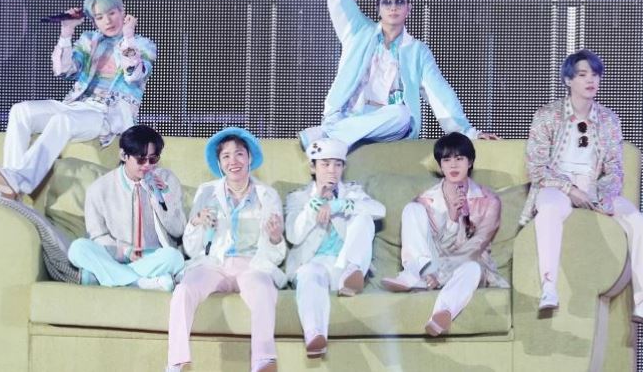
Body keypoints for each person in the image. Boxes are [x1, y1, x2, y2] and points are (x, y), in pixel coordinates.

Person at [298, 0, 496, 151]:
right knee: (350, 122)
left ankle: (326, 135)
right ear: (378, 8)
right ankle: (335, 133)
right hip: (348, 117)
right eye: (387, 2)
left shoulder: (417, 51)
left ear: (408, 9)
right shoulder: (357, 32)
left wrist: (469, 132)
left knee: (402, 114)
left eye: (399, 2)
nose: (393, 7)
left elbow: (440, 94)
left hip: (389, 127)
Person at [521, 49, 643, 324]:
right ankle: (548, 287)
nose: (591, 80)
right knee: (550, 211)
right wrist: (570, 190)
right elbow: (537, 168)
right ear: (568, 80)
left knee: (640, 223)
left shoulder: (609, 119)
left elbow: (615, 168)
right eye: (582, 75)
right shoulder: (547, 115)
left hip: (594, 187)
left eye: (595, 75)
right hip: (557, 185)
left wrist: (603, 196)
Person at [0, 0, 157, 198]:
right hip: (77, 104)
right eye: (99, 17)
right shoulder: (90, 41)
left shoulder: (142, 45)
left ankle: (21, 180)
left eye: (112, 13)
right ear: (93, 21)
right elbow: (63, 70)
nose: (107, 21)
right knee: (21, 111)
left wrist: (128, 37)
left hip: (106, 114)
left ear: (122, 12)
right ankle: (12, 184)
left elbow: (133, 74)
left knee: (63, 120)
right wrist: (66, 32)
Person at [166, 127, 285, 372]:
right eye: (226, 156)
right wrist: (196, 223)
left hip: (251, 265)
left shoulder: (267, 195)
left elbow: (276, 254)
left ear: (249, 157)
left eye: (239, 154)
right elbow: (192, 248)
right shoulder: (206, 192)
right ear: (219, 163)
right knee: (183, 290)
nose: (234, 161)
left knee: (264, 289)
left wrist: (275, 238)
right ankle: (175, 363)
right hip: (215, 264)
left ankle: (263, 360)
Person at [382, 132, 508, 335]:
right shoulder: (426, 200)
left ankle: (442, 313)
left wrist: (440, 276)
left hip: (467, 263)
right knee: (412, 209)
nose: (453, 165)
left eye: (459, 158)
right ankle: (413, 273)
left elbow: (476, 246)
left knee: (473, 269)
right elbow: (432, 246)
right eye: (447, 160)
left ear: (470, 162)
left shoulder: (489, 201)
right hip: (431, 266)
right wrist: (451, 218)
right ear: (440, 165)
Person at [285, 138, 385, 358]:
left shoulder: (352, 192)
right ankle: (315, 336)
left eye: (338, 164)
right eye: (325, 164)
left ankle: (353, 271)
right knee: (310, 273)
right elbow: (293, 235)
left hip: (344, 266)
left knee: (364, 217)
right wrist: (315, 205)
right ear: (313, 167)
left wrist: (340, 205)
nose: (332, 170)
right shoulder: (298, 197)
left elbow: (379, 210)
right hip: (313, 264)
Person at [67, 125, 185, 291]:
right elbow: (97, 235)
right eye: (141, 159)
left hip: (154, 257)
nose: (148, 165)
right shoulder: (99, 188)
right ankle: (141, 283)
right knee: (78, 248)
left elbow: (178, 230)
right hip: (115, 256)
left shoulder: (167, 179)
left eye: (153, 159)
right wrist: (125, 252)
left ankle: (109, 278)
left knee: (174, 257)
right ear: (123, 155)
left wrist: (163, 196)